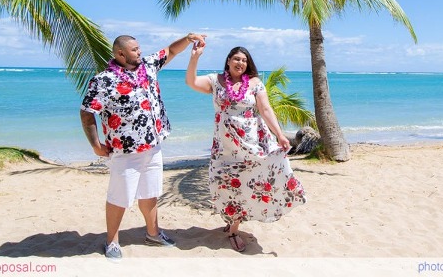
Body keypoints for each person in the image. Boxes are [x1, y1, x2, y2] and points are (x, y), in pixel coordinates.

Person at [80, 32, 206, 260]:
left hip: (153, 144)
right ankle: (112, 241)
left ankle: (153, 233)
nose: (140, 52)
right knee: (120, 197)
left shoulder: (147, 66)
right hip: (125, 151)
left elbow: (171, 51)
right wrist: (96, 145)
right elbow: (87, 113)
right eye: (135, 50)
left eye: (139, 48)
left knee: (150, 192)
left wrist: (188, 40)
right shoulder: (104, 80)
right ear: (120, 54)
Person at [185, 44, 307, 252]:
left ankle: (233, 230)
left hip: (250, 142)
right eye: (237, 59)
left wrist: (279, 134)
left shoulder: (254, 83)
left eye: (244, 60)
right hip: (223, 145)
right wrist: (195, 57)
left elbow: (265, 109)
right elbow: (192, 82)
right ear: (228, 61)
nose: (240, 63)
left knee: (243, 183)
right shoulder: (216, 81)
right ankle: (232, 219)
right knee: (220, 182)